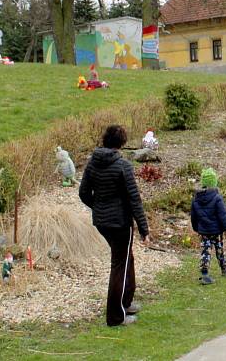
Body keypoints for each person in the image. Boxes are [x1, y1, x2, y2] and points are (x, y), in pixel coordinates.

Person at [80, 125, 150, 326]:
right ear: (121, 143)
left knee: (126, 258)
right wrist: (144, 230)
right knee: (119, 264)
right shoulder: (123, 166)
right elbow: (134, 199)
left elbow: (83, 193)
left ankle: (126, 302)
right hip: (120, 223)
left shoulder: (92, 163)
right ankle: (115, 317)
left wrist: (99, 207)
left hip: (102, 222)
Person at [190, 168, 226, 285]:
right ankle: (225, 269)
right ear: (214, 183)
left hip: (203, 231)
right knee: (220, 250)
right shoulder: (217, 198)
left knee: (205, 251)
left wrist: (196, 228)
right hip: (216, 231)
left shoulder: (196, 199)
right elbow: (222, 216)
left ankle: (204, 274)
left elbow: (193, 217)